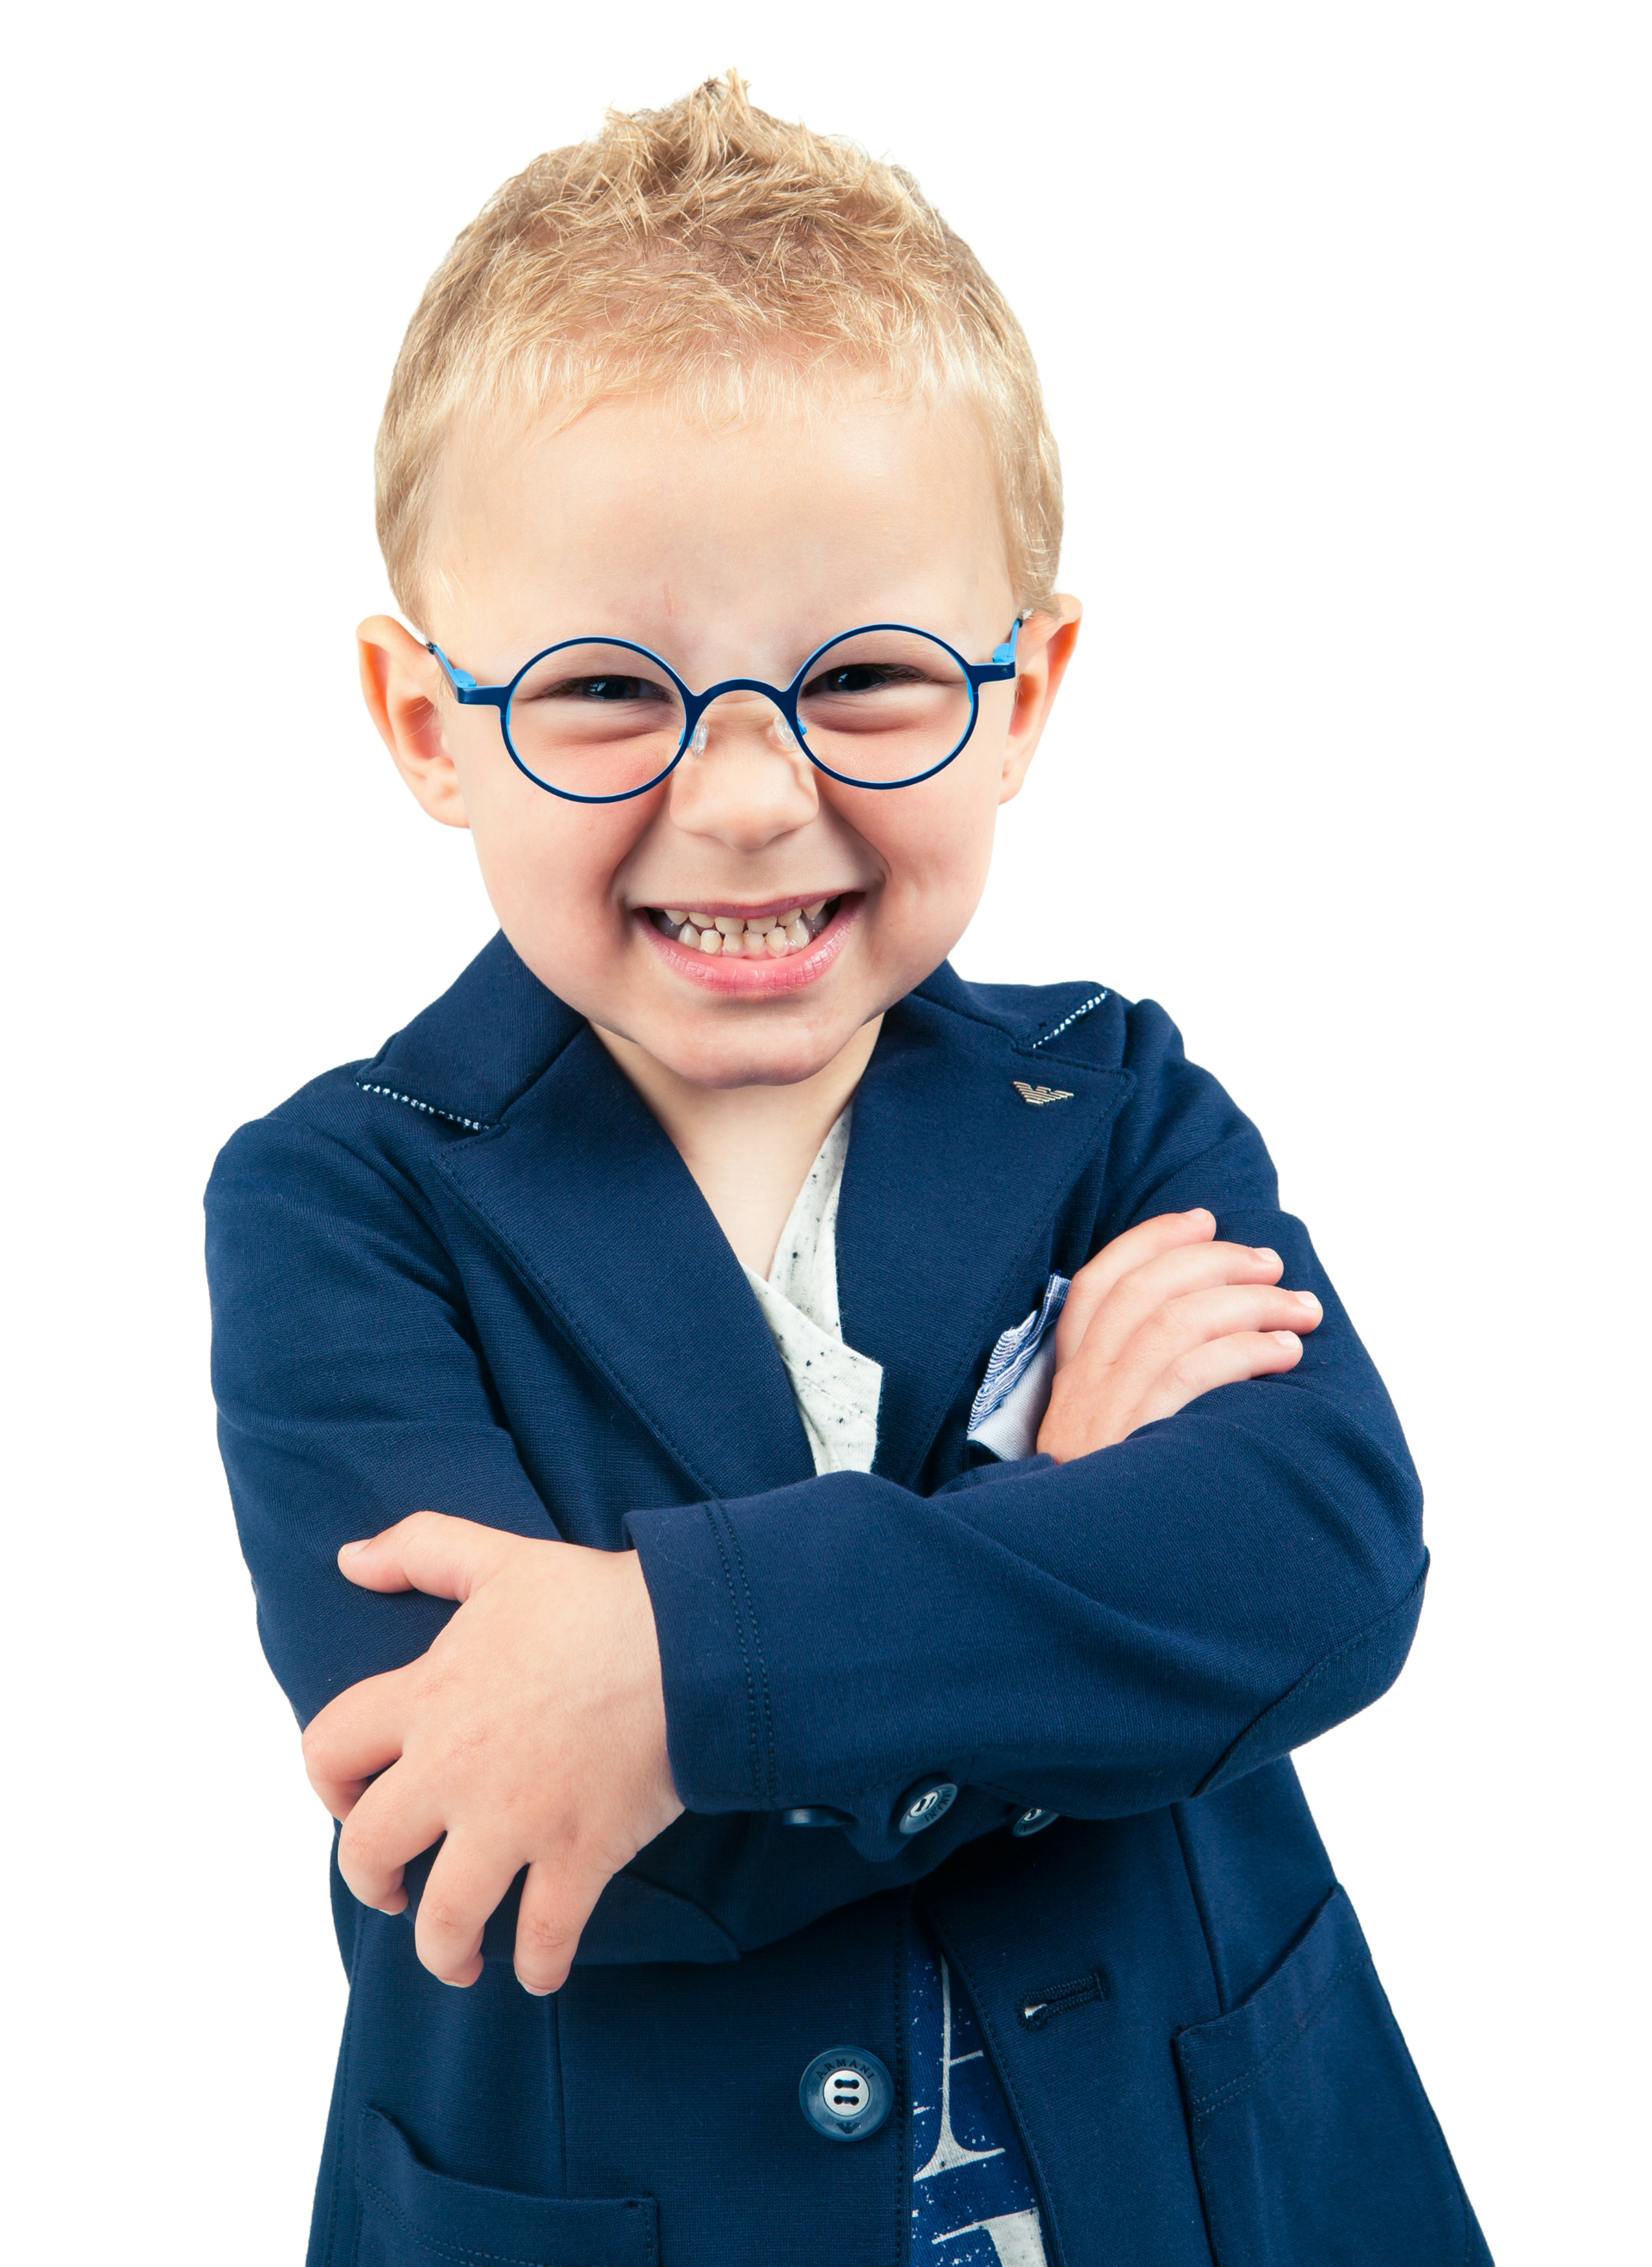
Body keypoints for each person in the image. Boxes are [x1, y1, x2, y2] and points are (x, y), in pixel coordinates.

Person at [204, 62, 1493, 2267]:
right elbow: (510, 1824)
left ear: (1029, 690)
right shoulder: (342, 1200)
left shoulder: (1108, 1095)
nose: (742, 800)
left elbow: (1318, 1564)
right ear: (427, 723)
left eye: (870, 679)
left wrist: (668, 1670)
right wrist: (1038, 1521)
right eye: (606, 694)